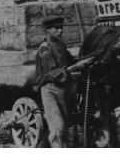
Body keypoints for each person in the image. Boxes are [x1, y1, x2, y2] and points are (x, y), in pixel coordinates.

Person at [35, 15, 94, 147]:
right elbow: (53, 74)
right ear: (48, 30)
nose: (60, 31)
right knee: (58, 128)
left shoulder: (60, 45)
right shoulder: (45, 48)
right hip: (51, 90)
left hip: (64, 89)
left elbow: (70, 61)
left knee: (64, 127)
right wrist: (75, 67)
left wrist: (89, 59)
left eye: (61, 28)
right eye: (56, 28)